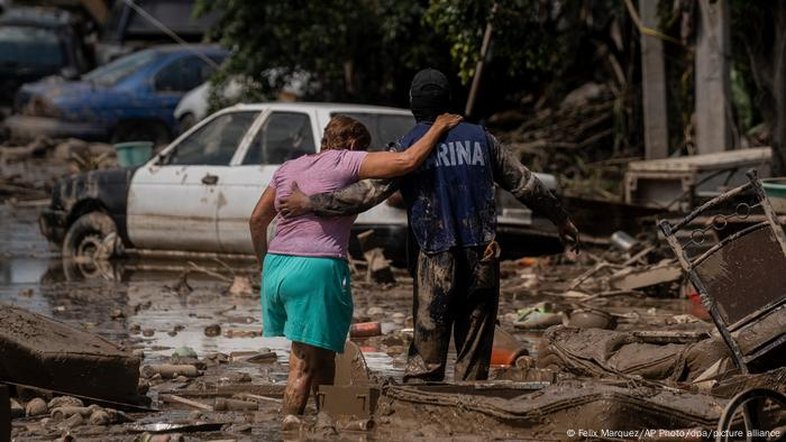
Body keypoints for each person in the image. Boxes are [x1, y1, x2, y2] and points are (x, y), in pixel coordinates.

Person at [278, 68, 580, 383]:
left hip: (435, 256)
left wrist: (309, 202)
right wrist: (561, 219)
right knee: (474, 352)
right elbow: (526, 184)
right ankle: (473, 412)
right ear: (447, 101)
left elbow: (364, 195)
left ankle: (423, 415)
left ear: (414, 104)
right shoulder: (482, 139)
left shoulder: (410, 146)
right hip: (484, 254)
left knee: (427, 356)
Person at [249, 113, 462, 416]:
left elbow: (257, 221)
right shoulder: (346, 161)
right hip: (316, 269)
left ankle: (327, 422)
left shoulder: (289, 167)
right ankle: (289, 427)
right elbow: (406, 162)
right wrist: (439, 127)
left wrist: (265, 266)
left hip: (277, 268)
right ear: (351, 143)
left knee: (323, 356)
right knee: (303, 364)